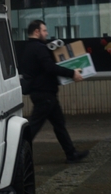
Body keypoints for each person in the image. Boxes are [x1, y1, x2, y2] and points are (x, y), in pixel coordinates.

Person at [20, 20, 89, 163]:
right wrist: (72, 73)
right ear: (37, 32)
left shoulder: (28, 48)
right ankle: (17, 154)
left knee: (59, 124)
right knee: (33, 127)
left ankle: (71, 154)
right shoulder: (39, 48)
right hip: (44, 94)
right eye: (44, 30)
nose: (47, 33)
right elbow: (50, 68)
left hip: (43, 93)